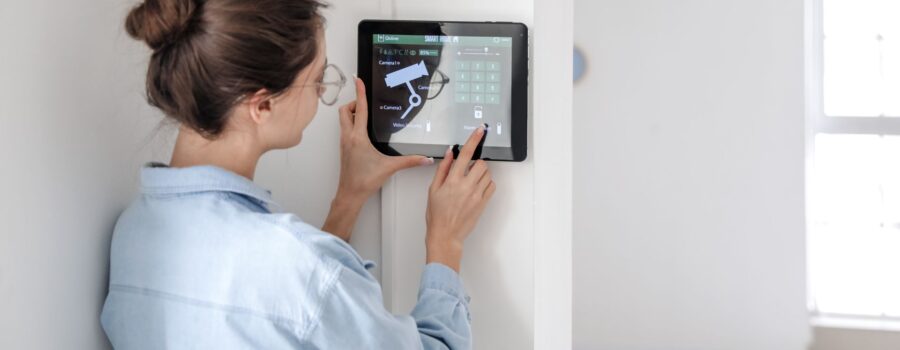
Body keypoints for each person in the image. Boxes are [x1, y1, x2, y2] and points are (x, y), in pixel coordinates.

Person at [99, 0, 495, 349]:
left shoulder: (135, 231)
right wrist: (446, 243)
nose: (325, 91)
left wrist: (349, 197)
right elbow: (300, 287)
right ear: (263, 105)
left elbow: (290, 319)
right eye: (319, 78)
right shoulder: (297, 264)